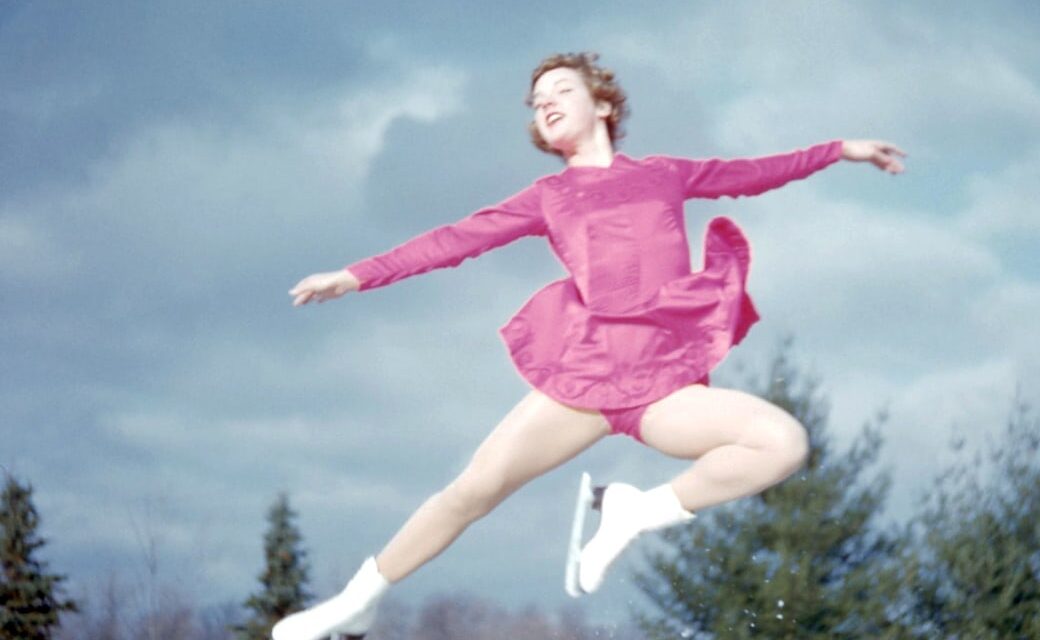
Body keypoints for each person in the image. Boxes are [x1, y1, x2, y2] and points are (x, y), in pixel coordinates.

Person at [272, 51, 906, 640]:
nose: (544, 103)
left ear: (603, 105)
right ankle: (358, 598)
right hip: (582, 381)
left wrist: (840, 149)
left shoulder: (664, 175)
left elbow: (752, 174)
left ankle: (635, 512)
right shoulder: (548, 197)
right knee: (471, 493)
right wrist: (355, 275)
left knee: (784, 443)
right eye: (535, 100)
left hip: (663, 387)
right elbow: (453, 240)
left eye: (559, 90)